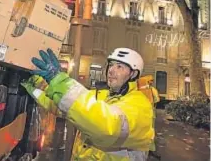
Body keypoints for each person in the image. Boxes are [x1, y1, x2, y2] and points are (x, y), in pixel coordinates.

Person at [21, 48, 154, 161]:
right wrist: (38, 84)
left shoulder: (140, 105)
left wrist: (60, 81)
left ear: (133, 74)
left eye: (119, 67)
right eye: (111, 65)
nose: (111, 70)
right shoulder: (103, 96)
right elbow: (65, 105)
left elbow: (106, 127)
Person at [138, 75, 161, 160]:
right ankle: (150, 151)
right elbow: (156, 100)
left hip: (140, 115)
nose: (152, 82)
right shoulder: (153, 90)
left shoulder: (139, 90)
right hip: (150, 115)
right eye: (151, 81)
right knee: (150, 132)